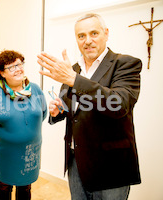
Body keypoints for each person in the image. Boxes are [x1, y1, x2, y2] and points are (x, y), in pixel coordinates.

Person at [37, 13, 141, 200]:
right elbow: (69, 106)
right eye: (81, 36)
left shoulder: (125, 64)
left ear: (106, 33)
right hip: (76, 162)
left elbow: (119, 104)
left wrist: (72, 79)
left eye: (94, 33)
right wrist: (58, 111)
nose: (88, 41)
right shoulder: (73, 69)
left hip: (111, 166)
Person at [0, 50, 47, 200]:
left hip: (30, 153)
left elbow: (43, 113)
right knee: (4, 187)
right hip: (5, 155)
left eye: (19, 64)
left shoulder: (35, 89)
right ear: (2, 73)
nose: (18, 69)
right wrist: (1, 133)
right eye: (11, 67)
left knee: (25, 188)